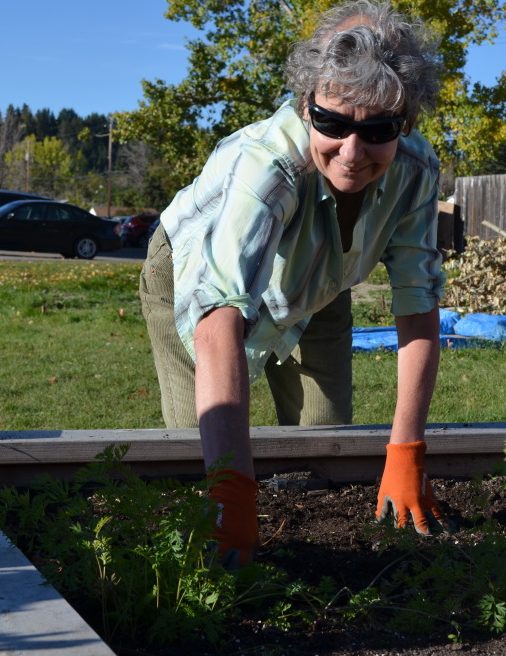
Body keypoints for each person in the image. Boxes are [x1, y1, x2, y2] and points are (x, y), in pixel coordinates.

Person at [139, 0, 450, 567]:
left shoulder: (416, 171)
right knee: (199, 452)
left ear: (404, 124)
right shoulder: (267, 165)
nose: (351, 153)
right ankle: (222, 542)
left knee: (321, 447)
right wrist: (232, 489)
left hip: (319, 286)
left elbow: (417, 305)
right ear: (307, 106)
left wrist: (407, 450)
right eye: (332, 123)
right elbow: (220, 321)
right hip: (194, 278)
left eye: (377, 130)